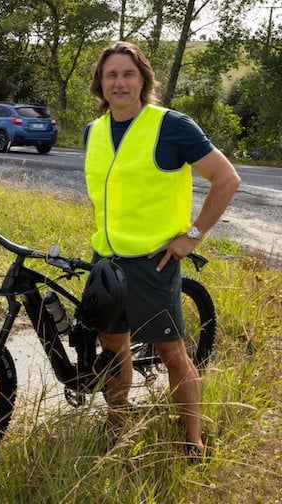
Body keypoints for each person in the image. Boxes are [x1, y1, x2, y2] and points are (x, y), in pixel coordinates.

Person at [83, 41, 241, 458]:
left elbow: (226, 179)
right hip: (106, 262)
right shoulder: (93, 131)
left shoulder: (171, 126)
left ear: (143, 79)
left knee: (171, 353)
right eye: (111, 74)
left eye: (128, 74)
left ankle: (193, 440)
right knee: (113, 350)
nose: (119, 82)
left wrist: (193, 235)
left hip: (154, 262)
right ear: (101, 82)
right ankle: (120, 432)